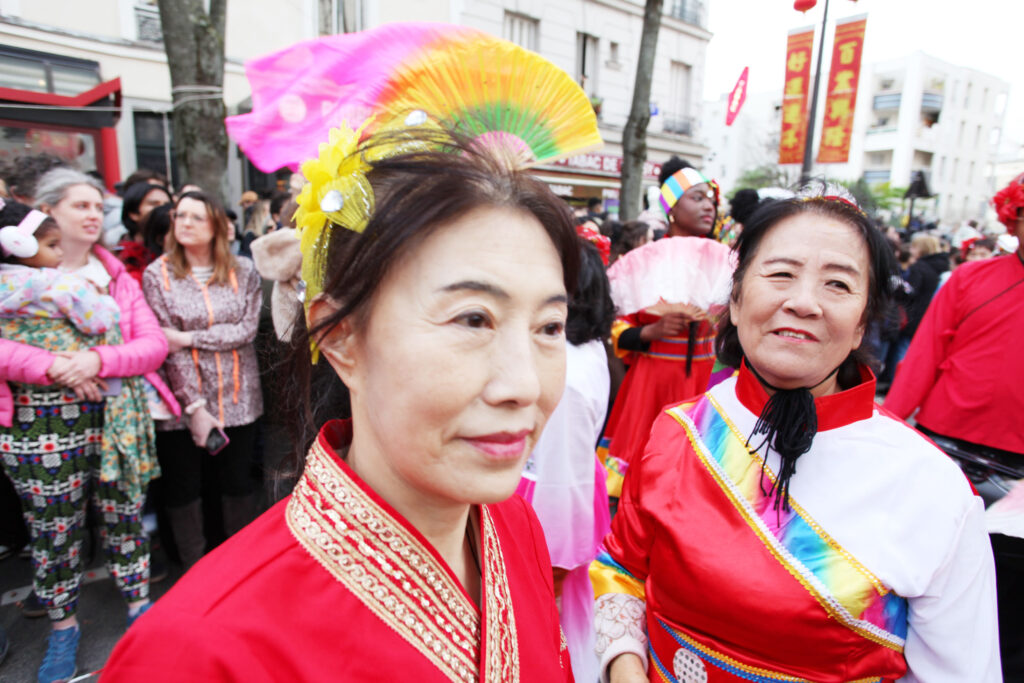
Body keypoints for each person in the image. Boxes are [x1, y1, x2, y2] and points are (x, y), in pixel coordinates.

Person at [103, 123, 577, 681]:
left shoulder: (515, 523)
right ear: (339, 336)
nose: (525, 385)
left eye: (550, 327)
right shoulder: (194, 653)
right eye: (473, 319)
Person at [591, 185, 999, 682]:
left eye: (838, 284)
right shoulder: (678, 430)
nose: (804, 303)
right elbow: (620, 571)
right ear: (735, 300)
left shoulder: (934, 487)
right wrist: (626, 669)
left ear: (861, 326)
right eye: (781, 274)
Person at [0, 168, 175, 683]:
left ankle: (140, 609)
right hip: (37, 426)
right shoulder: (8, 276)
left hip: (114, 417)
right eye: (81, 205)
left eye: (99, 206)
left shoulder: (115, 276)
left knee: (126, 515)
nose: (95, 215)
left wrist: (95, 360)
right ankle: (64, 629)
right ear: (46, 212)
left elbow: (151, 346)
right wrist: (53, 365)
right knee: (53, 528)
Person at [886, 176, 1024, 680]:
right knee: (927, 580)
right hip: (947, 452)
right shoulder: (969, 279)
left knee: (1010, 597)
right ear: (1013, 219)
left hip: (1020, 476)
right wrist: (889, 431)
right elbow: (924, 355)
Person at [141, 191, 263, 569]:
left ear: (217, 226)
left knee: (237, 483)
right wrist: (194, 406)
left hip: (239, 395)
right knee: (185, 488)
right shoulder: (157, 274)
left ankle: (239, 565)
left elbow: (245, 330)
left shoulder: (244, 270)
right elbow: (167, 346)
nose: (186, 223)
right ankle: (195, 569)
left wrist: (189, 337)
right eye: (180, 216)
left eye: (197, 217)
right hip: (182, 401)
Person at [517, 239, 614, 683]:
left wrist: (555, 553)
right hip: (561, 486)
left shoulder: (569, 371)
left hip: (552, 501)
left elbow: (559, 469)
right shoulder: (585, 349)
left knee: (541, 614)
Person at [598, 158, 722, 497]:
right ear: (672, 209)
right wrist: (649, 332)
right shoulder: (643, 261)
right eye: (696, 198)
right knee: (638, 477)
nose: (708, 206)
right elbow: (612, 324)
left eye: (711, 199)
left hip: (706, 380)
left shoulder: (725, 261)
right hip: (652, 380)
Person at [113, 182, 172, 281]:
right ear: (133, 213)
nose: (164, 210)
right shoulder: (120, 257)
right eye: (154, 204)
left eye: (167, 205)